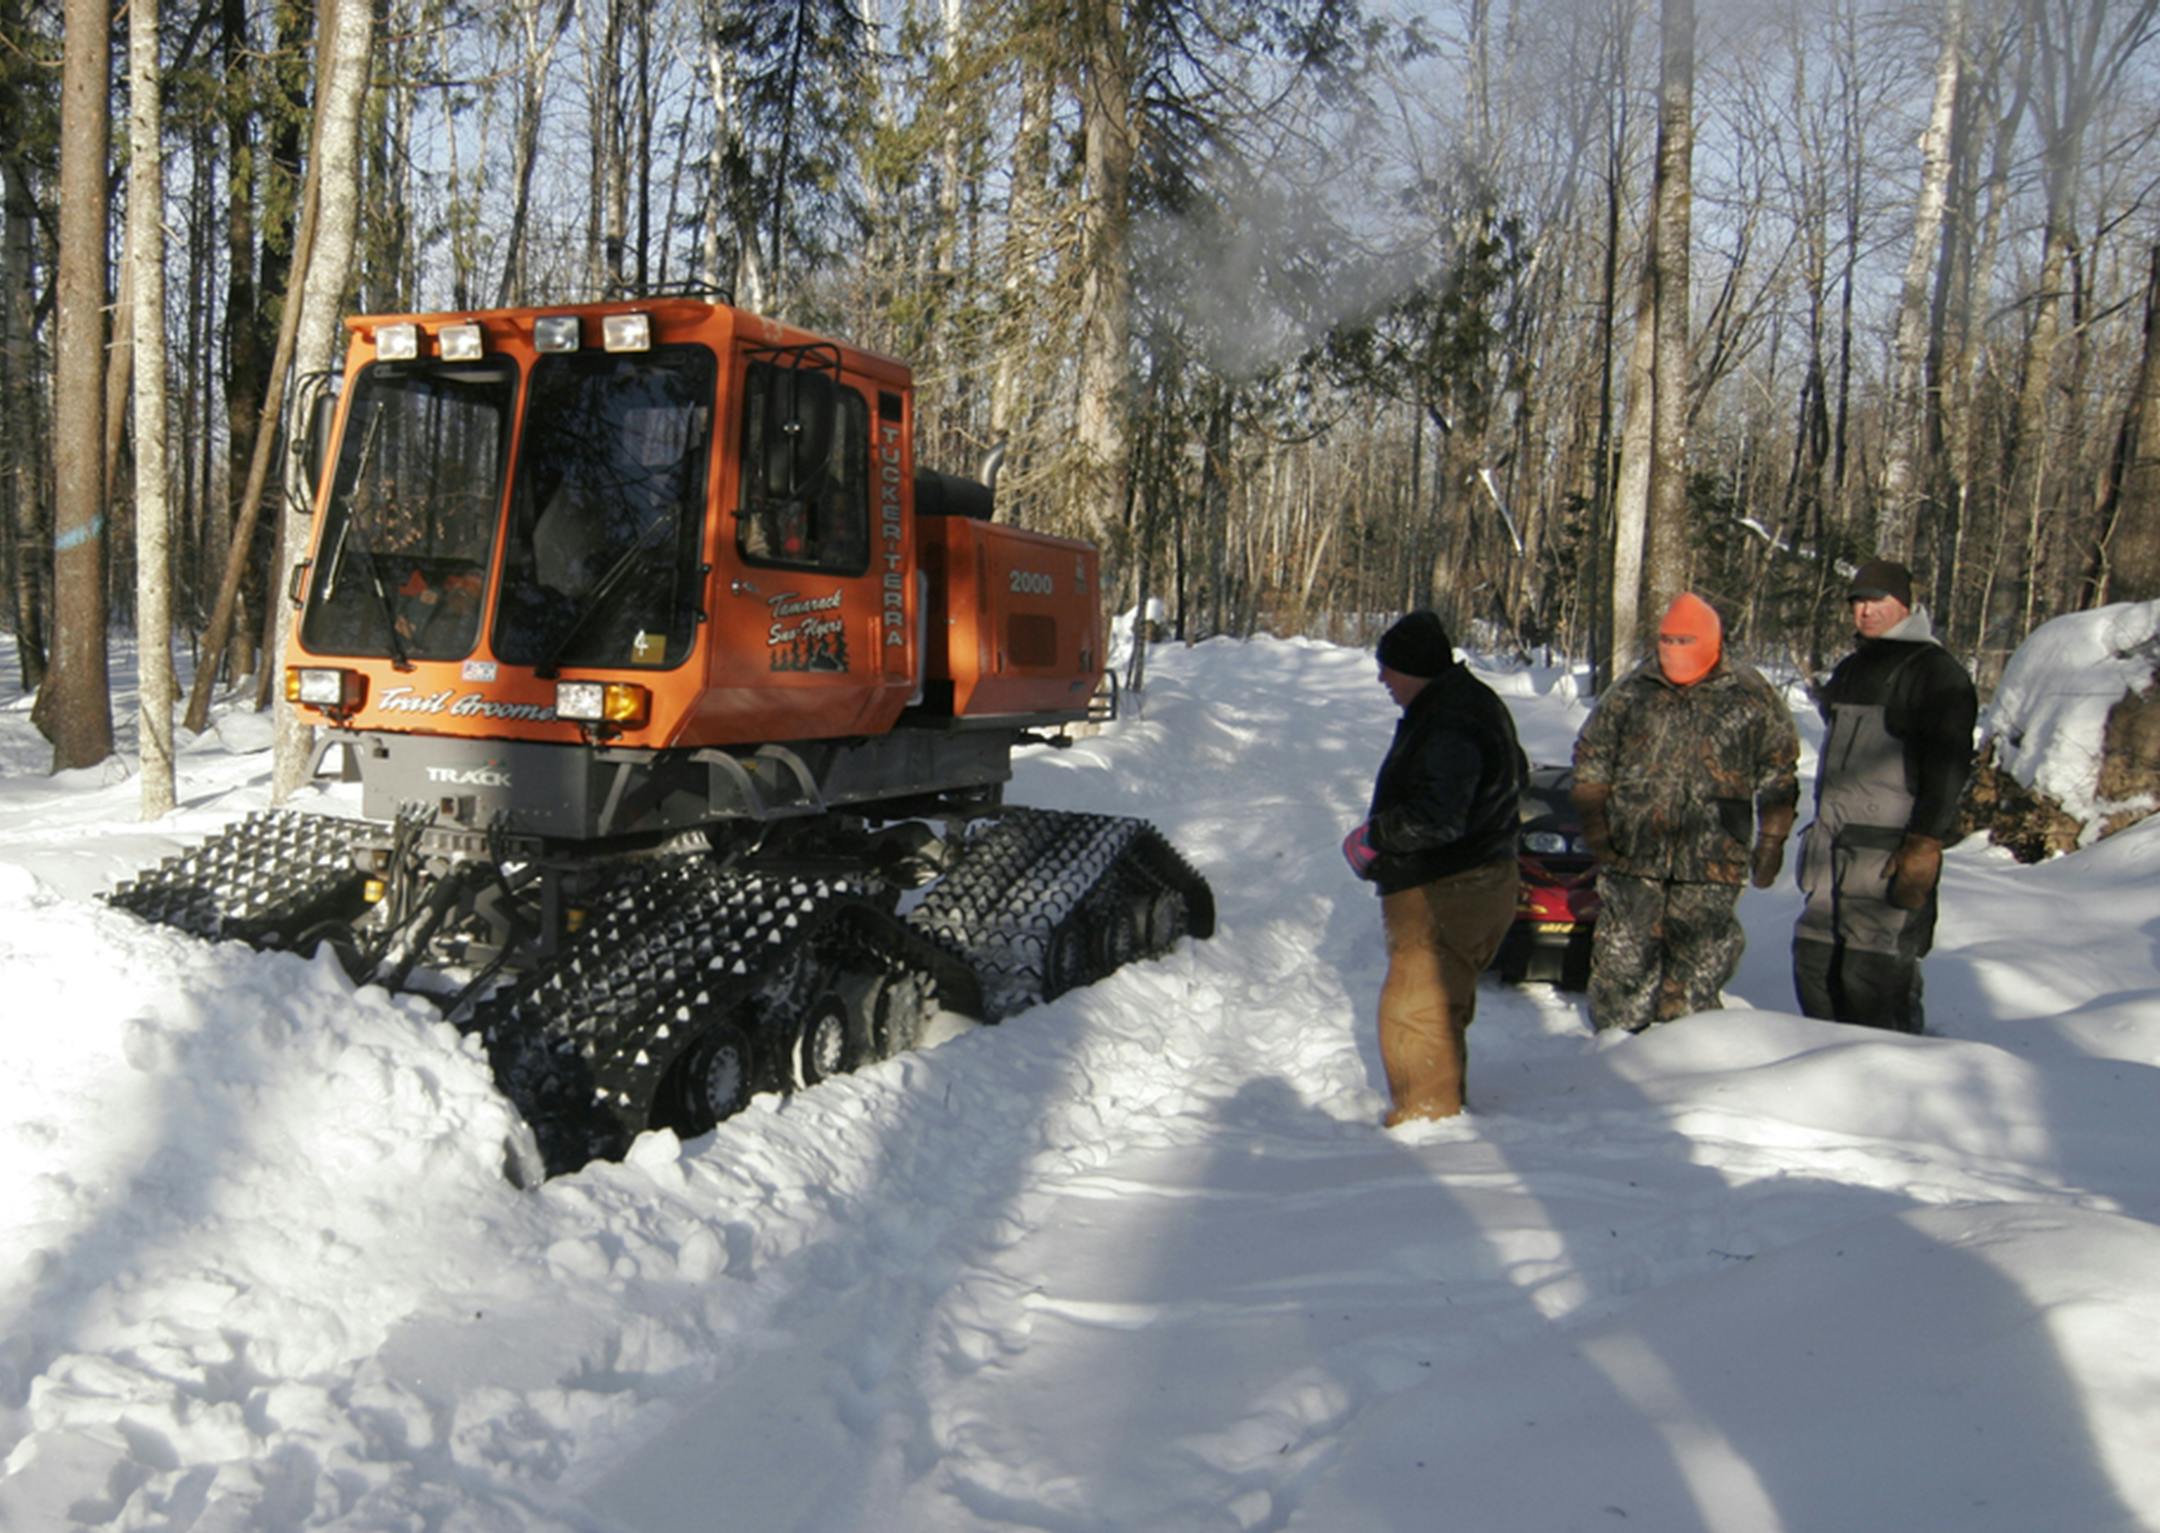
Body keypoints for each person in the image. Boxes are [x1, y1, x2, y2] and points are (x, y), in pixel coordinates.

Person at [1569, 593, 1800, 1033]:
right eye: (1666, 640)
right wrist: (1597, 823)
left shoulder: (1751, 695)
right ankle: (1615, 1053)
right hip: (1633, 851)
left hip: (1712, 855)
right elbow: (1592, 755)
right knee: (1624, 958)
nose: (1673, 649)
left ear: (1711, 642)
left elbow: (1778, 771)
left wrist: (1772, 838)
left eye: (1685, 640)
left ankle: (1688, 1058)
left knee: (1700, 966)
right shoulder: (1633, 691)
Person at [1341, 611, 1526, 1123]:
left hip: (1451, 889)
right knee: (1438, 1006)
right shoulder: (1464, 704)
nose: (1382, 679)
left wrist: (1375, 837)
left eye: (1388, 669)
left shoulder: (1450, 722)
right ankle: (1437, 1108)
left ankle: (1429, 1125)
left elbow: (1438, 819)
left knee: (1417, 1012)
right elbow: (1517, 776)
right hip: (1472, 881)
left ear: (1415, 668)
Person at [1793, 559, 1978, 1032]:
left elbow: (1949, 766)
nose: (1866, 611)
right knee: (1815, 966)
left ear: (1904, 604)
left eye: (1877, 601)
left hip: (1887, 855)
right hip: (1830, 848)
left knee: (1872, 978)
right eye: (1858, 602)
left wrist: (1924, 843)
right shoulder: (1852, 669)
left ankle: (1893, 1082)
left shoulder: (1937, 673)